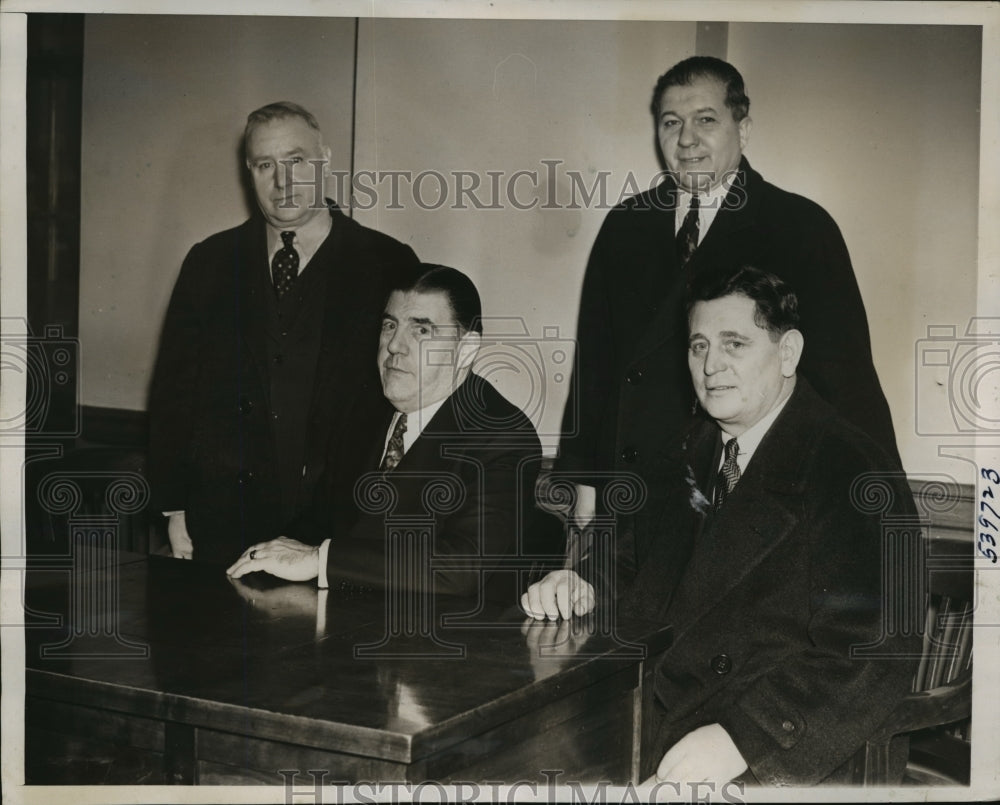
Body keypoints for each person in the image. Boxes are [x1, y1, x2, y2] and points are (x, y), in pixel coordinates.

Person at [524, 267, 920, 785]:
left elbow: (874, 651)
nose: (711, 366)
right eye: (698, 346)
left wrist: (744, 739)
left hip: (780, 750)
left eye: (734, 344)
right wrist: (579, 583)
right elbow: (624, 564)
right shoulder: (683, 451)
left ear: (788, 352)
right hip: (652, 715)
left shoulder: (851, 467)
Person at [555, 56, 899, 542]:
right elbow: (595, 367)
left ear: (744, 128)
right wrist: (586, 491)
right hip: (631, 494)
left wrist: (881, 502)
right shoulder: (625, 226)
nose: (686, 139)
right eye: (671, 123)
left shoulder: (799, 226)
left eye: (706, 120)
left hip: (736, 492)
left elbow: (845, 376)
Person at [148, 101, 418, 564]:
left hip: (340, 527)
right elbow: (175, 391)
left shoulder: (388, 263)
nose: (283, 181)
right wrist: (175, 509)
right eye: (265, 165)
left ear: (324, 160)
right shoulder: (209, 263)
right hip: (222, 524)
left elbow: (411, 399)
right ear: (248, 172)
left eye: (296, 161)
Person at [227, 265, 558, 602]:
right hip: (346, 620)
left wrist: (319, 559)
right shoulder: (364, 411)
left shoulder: (501, 435)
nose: (395, 346)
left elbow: (459, 570)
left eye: (421, 331)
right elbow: (319, 521)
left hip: (449, 639)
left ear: (466, 349)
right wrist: (267, 558)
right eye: (389, 326)